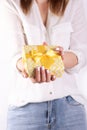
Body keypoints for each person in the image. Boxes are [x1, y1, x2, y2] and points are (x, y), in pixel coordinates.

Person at [0, 0, 87, 130]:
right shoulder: (10, 2)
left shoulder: (73, 2)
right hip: (25, 111)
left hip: (69, 108)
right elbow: (15, 56)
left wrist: (48, 60)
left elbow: (81, 53)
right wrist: (35, 65)